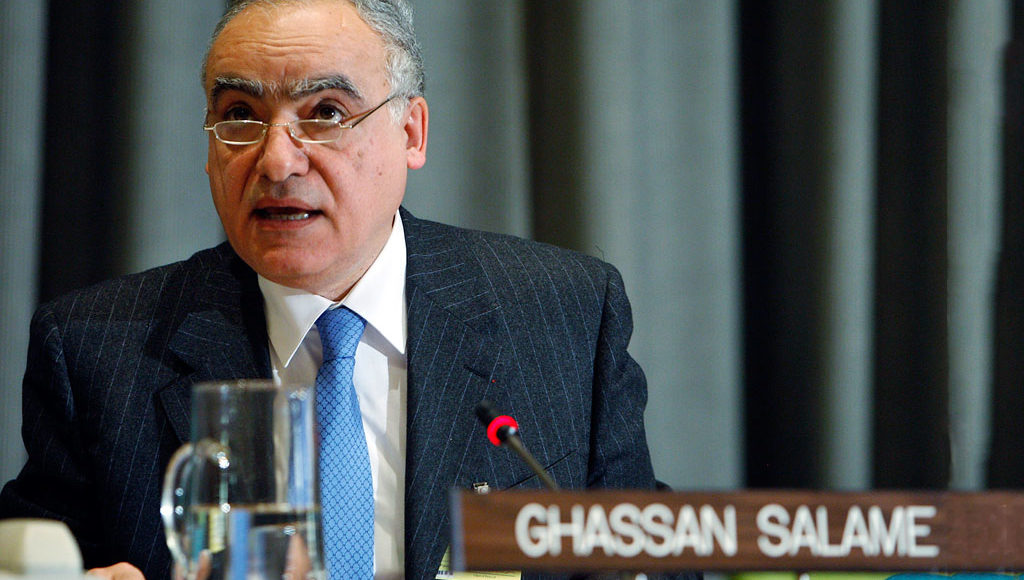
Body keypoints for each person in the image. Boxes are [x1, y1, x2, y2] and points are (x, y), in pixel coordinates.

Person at [0, 1, 682, 579]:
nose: (276, 160)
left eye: (325, 111)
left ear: (411, 132)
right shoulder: (97, 350)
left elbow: (649, 559)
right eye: (239, 113)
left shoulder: (561, 314)